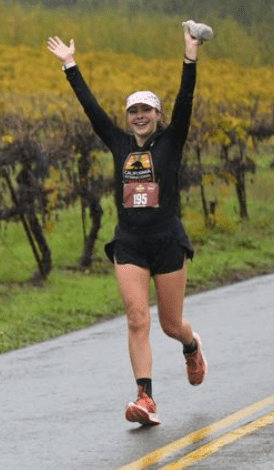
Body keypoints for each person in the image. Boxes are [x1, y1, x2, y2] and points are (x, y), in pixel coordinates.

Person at [47, 23, 208, 426]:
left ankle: (191, 345)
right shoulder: (118, 143)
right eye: (133, 111)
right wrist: (70, 66)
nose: (139, 117)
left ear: (158, 115)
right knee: (137, 318)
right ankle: (145, 398)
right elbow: (91, 109)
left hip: (167, 241)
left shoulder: (171, 141)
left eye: (146, 111)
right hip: (130, 243)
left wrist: (190, 56)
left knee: (171, 324)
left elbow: (186, 99)